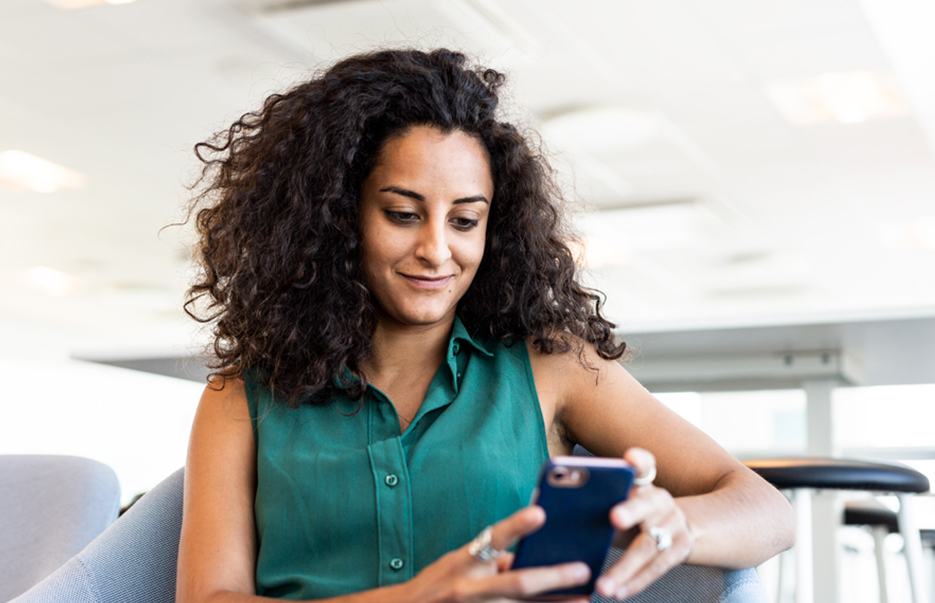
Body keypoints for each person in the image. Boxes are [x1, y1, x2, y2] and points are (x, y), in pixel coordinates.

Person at [176, 48, 795, 603]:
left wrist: (679, 527)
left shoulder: (553, 370)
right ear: (337, 217)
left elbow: (766, 511)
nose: (437, 250)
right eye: (401, 214)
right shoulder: (241, 399)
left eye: (465, 221)